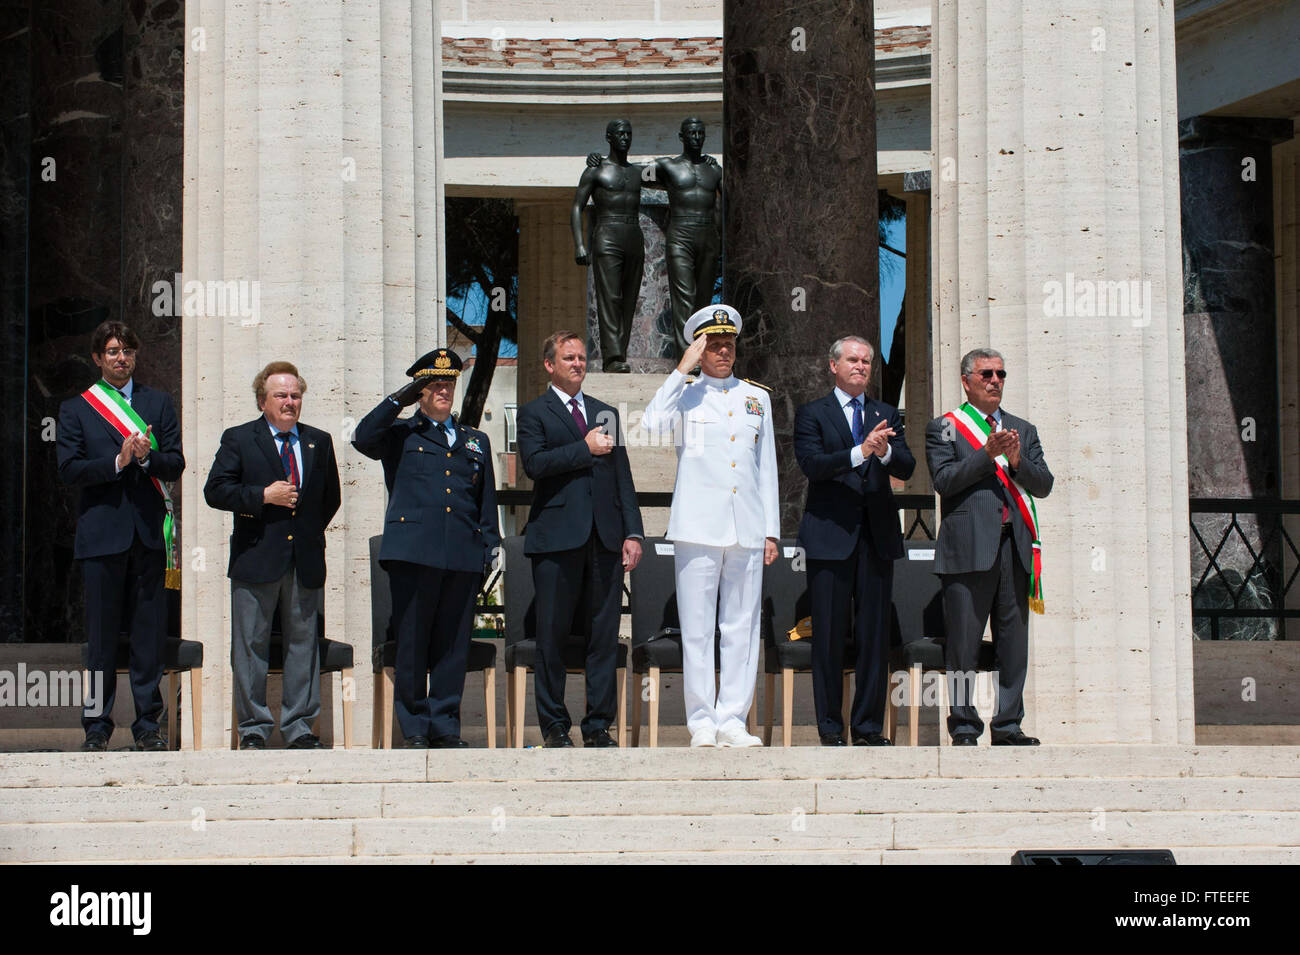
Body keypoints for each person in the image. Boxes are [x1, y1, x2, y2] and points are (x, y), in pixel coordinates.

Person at [641, 304, 779, 747]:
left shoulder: (757, 397)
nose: (723, 351)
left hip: (747, 528)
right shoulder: (684, 393)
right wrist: (680, 370)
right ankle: (701, 719)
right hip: (697, 526)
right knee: (698, 629)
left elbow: (766, 467)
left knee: (741, 626)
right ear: (698, 350)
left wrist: (770, 529)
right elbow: (649, 426)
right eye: (713, 345)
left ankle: (733, 718)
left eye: (728, 344)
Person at [352, 348, 501, 748]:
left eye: (449, 382)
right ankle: (415, 727)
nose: (443, 390)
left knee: (453, 646)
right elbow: (362, 438)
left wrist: (490, 546)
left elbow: (485, 501)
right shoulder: (401, 434)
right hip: (414, 555)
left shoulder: (475, 441)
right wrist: (400, 398)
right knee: (414, 643)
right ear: (420, 389)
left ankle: (445, 726)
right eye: (434, 383)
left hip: (463, 555)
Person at [57, 320, 185, 752]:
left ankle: (148, 723)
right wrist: (119, 459)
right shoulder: (77, 409)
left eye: (127, 350)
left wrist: (148, 461)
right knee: (102, 639)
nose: (121, 358)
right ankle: (96, 724)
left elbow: (176, 462)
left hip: (149, 536)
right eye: (112, 351)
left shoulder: (157, 402)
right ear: (97, 358)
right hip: (102, 537)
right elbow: (69, 469)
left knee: (149, 636)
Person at [203, 362, 341, 750]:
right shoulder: (239, 439)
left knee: (303, 645)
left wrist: (306, 534)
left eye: (296, 395)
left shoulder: (320, 440)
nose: (290, 402)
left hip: (305, 560)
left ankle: (299, 727)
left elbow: (329, 498)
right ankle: (253, 729)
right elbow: (215, 491)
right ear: (262, 400)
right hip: (256, 558)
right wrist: (262, 496)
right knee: (250, 647)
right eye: (281, 395)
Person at [516, 331, 644, 747]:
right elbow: (534, 465)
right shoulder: (534, 412)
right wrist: (584, 448)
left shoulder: (606, 413)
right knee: (551, 636)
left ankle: (598, 726)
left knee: (604, 637)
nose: (577, 363)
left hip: (605, 541)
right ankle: (554, 725)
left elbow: (622, 476)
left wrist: (633, 532)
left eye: (582, 357)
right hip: (556, 540)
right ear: (550, 365)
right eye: (568, 357)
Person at [924, 348, 1054, 746]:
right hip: (967, 552)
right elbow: (945, 481)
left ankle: (1008, 725)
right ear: (967, 381)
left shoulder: (1022, 429)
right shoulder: (945, 427)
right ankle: (964, 727)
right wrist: (987, 454)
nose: (995, 380)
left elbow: (1044, 485)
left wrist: (1016, 461)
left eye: (1000, 373)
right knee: (963, 646)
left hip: (1015, 549)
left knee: (1013, 645)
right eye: (986, 374)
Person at [794, 336, 915, 746]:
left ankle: (867, 728)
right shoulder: (813, 413)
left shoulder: (885, 413)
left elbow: (909, 464)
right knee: (827, 635)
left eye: (866, 361)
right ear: (834, 366)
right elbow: (812, 464)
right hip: (831, 536)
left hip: (876, 538)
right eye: (852, 360)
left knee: (873, 637)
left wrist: (883, 454)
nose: (861, 366)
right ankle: (830, 728)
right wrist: (860, 451)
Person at [587, 117, 723, 356]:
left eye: (700, 133)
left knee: (703, 299)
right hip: (681, 234)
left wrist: (722, 236)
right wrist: (598, 161)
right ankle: (688, 355)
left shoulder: (714, 170)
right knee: (684, 297)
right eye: (691, 133)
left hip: (708, 236)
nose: (696, 138)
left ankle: (702, 351)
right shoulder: (668, 167)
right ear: (681, 137)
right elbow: (629, 171)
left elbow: (727, 205)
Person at [572, 120, 645, 372]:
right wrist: (580, 244)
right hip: (607, 233)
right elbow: (576, 206)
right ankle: (612, 357)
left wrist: (703, 161)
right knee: (610, 298)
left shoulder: (639, 172)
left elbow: (674, 174)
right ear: (609, 137)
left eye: (629, 134)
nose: (625, 138)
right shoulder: (596, 169)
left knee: (628, 300)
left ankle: (620, 354)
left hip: (634, 235)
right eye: (620, 134)